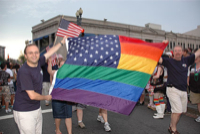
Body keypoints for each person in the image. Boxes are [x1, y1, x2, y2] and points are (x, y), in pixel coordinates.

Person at [13, 36, 67, 134]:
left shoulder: (38, 62)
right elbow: (32, 95)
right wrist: (47, 96)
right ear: (25, 56)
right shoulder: (24, 71)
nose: (34, 55)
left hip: (36, 108)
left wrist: (61, 42)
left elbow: (50, 52)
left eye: (36, 52)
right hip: (25, 111)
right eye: (30, 53)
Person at [159, 44, 200, 134]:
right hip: (172, 89)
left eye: (179, 50)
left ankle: (171, 125)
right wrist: (161, 45)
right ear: (173, 53)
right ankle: (173, 129)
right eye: (176, 51)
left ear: (182, 52)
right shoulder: (168, 61)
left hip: (183, 91)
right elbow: (158, 58)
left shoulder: (187, 60)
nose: (177, 52)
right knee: (177, 111)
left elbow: (197, 53)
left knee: (180, 112)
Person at [48, 58, 72, 134]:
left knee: (68, 116)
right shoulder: (56, 72)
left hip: (67, 98)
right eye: (61, 65)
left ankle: (70, 132)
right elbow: (49, 71)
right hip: (56, 97)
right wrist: (49, 62)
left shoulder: (70, 74)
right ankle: (57, 129)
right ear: (58, 66)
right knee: (58, 116)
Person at [187, 49, 200, 122]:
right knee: (198, 103)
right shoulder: (192, 66)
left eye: (197, 57)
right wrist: (188, 83)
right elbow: (188, 76)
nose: (195, 59)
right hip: (195, 88)